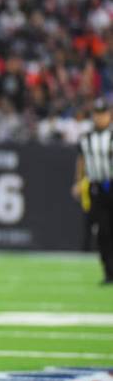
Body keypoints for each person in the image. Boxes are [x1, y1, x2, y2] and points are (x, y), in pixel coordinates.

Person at [73, 98, 113, 284]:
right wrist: (78, 181)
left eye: (103, 113)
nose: (100, 117)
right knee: (103, 232)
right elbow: (81, 161)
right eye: (97, 114)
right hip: (97, 188)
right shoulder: (86, 139)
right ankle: (108, 271)